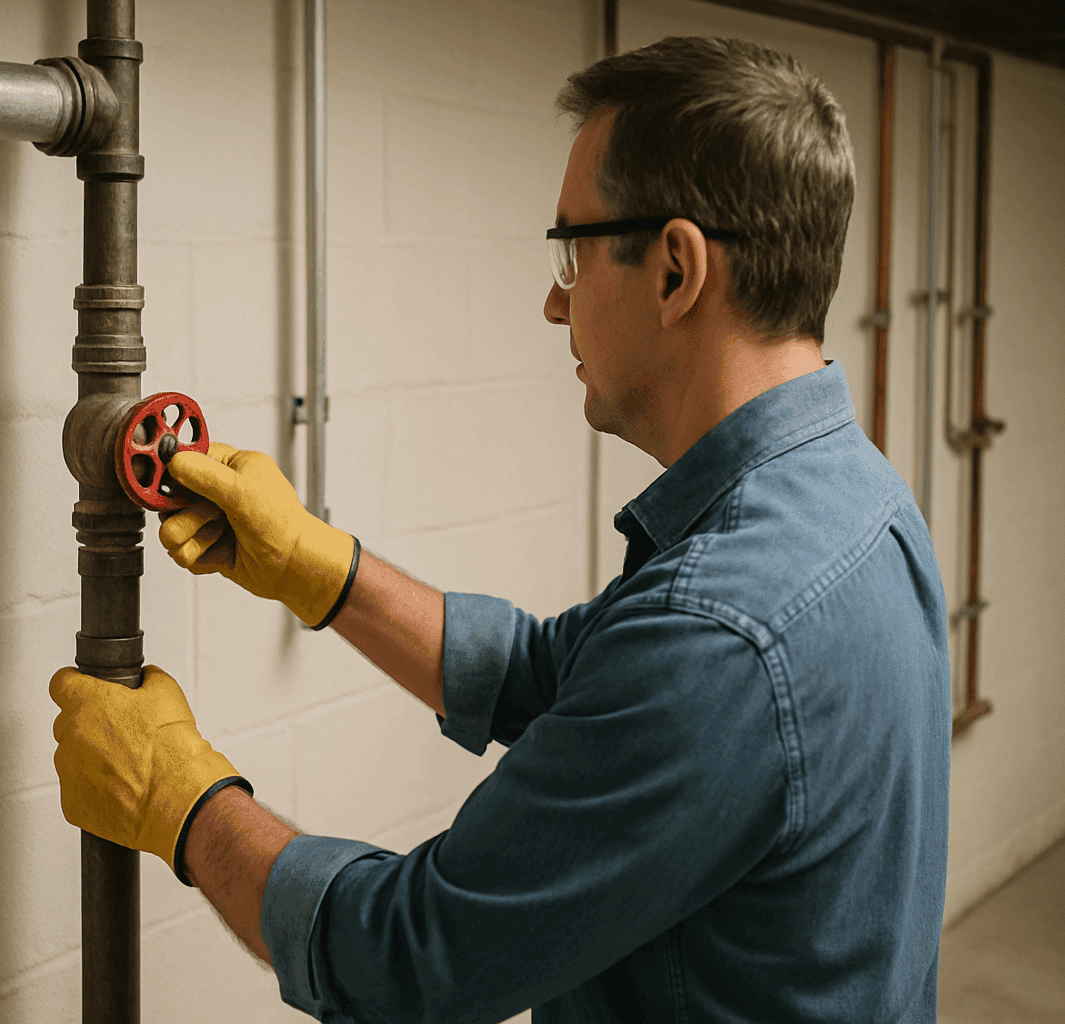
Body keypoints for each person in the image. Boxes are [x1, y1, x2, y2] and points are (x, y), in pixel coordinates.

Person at [50, 36, 950, 1024]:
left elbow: (411, 958)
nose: (555, 300)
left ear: (675, 271)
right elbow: (553, 675)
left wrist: (175, 796)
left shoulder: (722, 629)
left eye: (574, 249)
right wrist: (311, 562)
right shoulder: (858, 499)